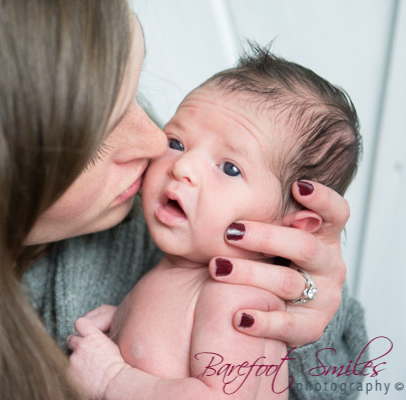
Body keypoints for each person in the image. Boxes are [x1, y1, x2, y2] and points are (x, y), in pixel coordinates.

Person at [0, 0, 364, 399]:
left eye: (229, 167)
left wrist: (307, 310)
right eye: (95, 130)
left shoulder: (234, 297)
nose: (158, 147)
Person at [63, 48, 367, 399]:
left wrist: (112, 378)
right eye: (176, 143)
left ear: (293, 229)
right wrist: (124, 323)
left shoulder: (233, 298)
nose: (183, 167)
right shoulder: (183, 275)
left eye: (230, 168)